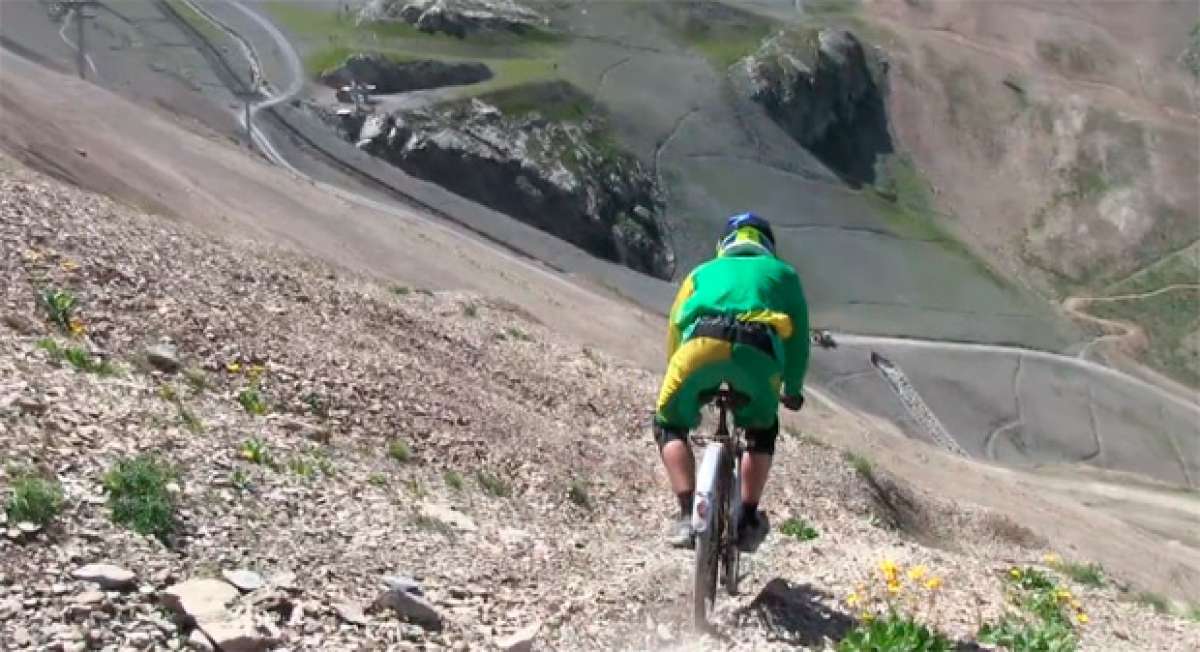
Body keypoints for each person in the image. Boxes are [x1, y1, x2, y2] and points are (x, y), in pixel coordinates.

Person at [654, 212, 810, 550]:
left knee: (670, 424)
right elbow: (798, 342)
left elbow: (676, 327)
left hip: (699, 349)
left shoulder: (701, 272)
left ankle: (685, 515)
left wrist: (677, 371)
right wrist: (793, 389)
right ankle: (748, 520)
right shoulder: (785, 274)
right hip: (758, 354)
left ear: (724, 244)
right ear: (767, 246)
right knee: (760, 433)